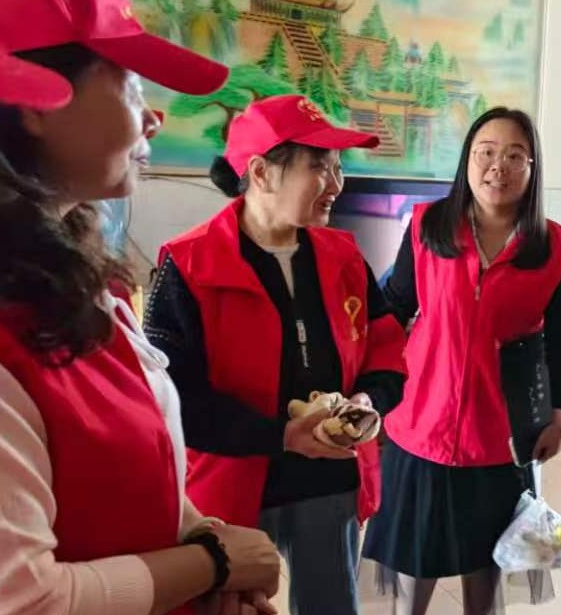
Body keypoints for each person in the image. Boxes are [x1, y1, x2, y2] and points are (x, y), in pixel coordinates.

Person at [0, 0, 281, 615]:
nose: (151, 117)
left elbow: (136, 467)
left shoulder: (73, 280)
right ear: (34, 102)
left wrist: (201, 539)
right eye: (127, 82)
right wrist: (208, 564)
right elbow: (23, 600)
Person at [142, 95, 409, 615]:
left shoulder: (343, 255)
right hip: (231, 483)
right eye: (319, 167)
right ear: (261, 172)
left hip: (329, 477)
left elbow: (386, 345)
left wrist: (368, 401)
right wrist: (281, 435)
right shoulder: (189, 264)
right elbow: (172, 398)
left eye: (338, 167)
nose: (336, 184)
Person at [363, 107, 561, 615]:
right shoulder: (428, 226)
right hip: (420, 423)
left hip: (498, 435)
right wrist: (369, 387)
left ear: (532, 169)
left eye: (515, 156)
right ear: (467, 160)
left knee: (484, 565)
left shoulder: (555, 248)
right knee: (416, 562)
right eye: (486, 153)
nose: (497, 167)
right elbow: (395, 306)